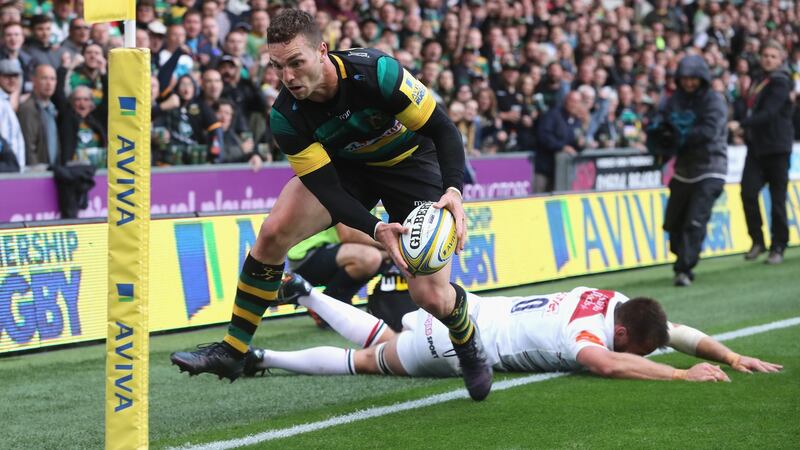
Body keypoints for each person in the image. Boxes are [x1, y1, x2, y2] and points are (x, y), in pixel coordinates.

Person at [171, 10, 493, 402]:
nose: (287, 77)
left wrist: (454, 190)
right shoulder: (285, 116)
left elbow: (443, 128)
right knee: (273, 232)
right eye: (277, 66)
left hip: (411, 163)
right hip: (348, 168)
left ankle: (466, 339)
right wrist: (376, 228)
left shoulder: (377, 72)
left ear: (322, 51)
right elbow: (328, 191)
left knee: (431, 298)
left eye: (296, 63)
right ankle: (233, 351)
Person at [242, 273, 781, 382]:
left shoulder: (611, 301)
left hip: (463, 306)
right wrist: (682, 376)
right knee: (368, 360)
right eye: (641, 350)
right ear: (621, 334)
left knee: (384, 340)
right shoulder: (586, 338)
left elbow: (676, 332)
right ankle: (264, 359)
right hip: (460, 345)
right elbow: (607, 363)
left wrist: (731, 356)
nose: (643, 355)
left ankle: (307, 292)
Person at [660, 55, 728, 287]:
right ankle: (683, 257)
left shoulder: (713, 100)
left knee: (694, 221)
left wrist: (682, 135)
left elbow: (710, 130)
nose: (689, 83)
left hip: (711, 167)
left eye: (693, 78)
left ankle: (684, 269)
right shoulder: (674, 100)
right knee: (673, 222)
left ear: (702, 78)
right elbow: (663, 122)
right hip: (683, 170)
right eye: (685, 78)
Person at [731, 41, 795, 265]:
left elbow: (769, 113)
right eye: (765, 55)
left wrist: (742, 124)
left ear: (780, 59)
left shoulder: (781, 82)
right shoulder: (759, 80)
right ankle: (757, 240)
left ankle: (778, 245)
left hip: (777, 149)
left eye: (773, 56)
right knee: (747, 193)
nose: (768, 59)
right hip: (757, 149)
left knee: (777, 201)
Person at [288, 223, 386, 328]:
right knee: (371, 257)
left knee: (387, 255)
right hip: (305, 256)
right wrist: (389, 243)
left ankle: (339, 305)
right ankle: (325, 306)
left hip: (329, 251)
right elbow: (348, 235)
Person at [18, 63, 59, 169]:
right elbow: (28, 146)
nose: (49, 83)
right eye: (44, 78)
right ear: (34, 81)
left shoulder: (52, 108)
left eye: (52, 79)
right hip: (38, 173)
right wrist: (36, 174)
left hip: (52, 170)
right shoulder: (28, 109)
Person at [0, 58, 24, 170]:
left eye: (15, 76)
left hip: (13, 171)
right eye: (7, 76)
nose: (12, 80)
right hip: (6, 171)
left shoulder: (6, 102)